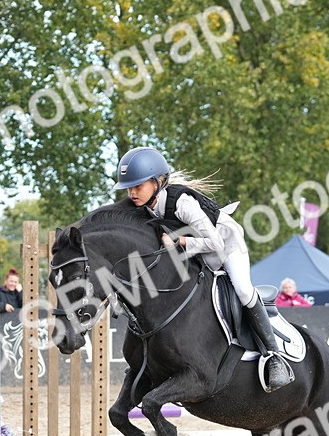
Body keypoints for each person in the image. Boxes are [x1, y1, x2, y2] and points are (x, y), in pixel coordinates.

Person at [115, 146, 293, 392]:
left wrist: (181, 242)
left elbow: (216, 244)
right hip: (194, 252)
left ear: (158, 182)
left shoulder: (183, 203)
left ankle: (274, 356)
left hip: (226, 244)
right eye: (129, 187)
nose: (132, 193)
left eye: (138, 186)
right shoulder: (143, 204)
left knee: (241, 290)